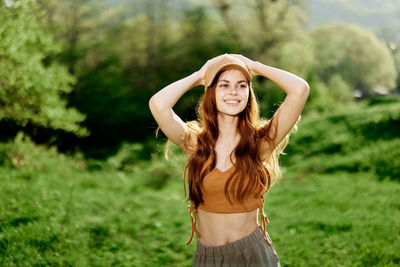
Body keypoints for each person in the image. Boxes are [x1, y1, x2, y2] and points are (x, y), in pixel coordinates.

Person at [149, 54, 309, 267]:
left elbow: (300, 89)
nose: (234, 91)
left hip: (252, 254)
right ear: (211, 92)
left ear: (248, 94)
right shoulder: (195, 144)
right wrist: (200, 75)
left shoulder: (261, 142)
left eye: (241, 85)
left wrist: (255, 67)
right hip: (208, 258)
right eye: (224, 85)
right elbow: (158, 104)